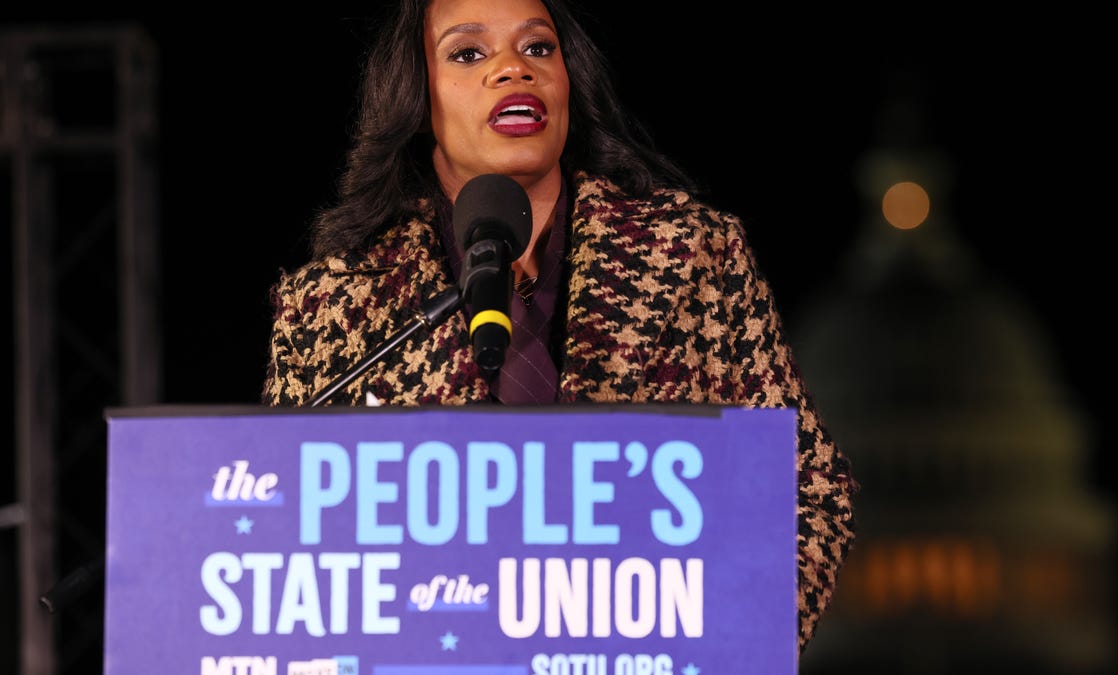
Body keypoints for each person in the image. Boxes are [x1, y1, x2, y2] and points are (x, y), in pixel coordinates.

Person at [261, 0, 857, 656]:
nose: (513, 69)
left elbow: (807, 487)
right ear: (417, 96)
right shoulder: (330, 307)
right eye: (469, 53)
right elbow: (284, 540)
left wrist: (728, 647)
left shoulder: (695, 255)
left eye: (538, 48)